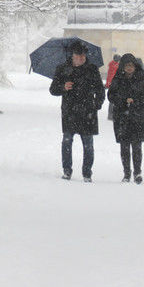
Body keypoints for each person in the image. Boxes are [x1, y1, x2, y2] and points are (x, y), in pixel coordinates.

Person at [50, 41, 105, 182]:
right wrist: (63, 87)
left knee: (88, 144)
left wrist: (96, 105)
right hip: (69, 111)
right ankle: (67, 171)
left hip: (88, 111)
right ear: (72, 56)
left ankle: (87, 173)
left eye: (83, 56)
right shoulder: (62, 69)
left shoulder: (92, 69)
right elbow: (53, 89)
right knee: (67, 142)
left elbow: (100, 90)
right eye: (78, 56)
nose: (81, 58)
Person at [107, 53, 144, 183]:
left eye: (131, 65)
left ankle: (137, 172)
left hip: (138, 117)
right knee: (124, 147)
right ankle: (127, 173)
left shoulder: (142, 79)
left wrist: (136, 101)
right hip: (122, 117)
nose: (129, 68)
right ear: (122, 66)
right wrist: (123, 100)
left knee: (137, 146)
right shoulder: (117, 79)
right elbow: (111, 96)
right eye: (126, 65)